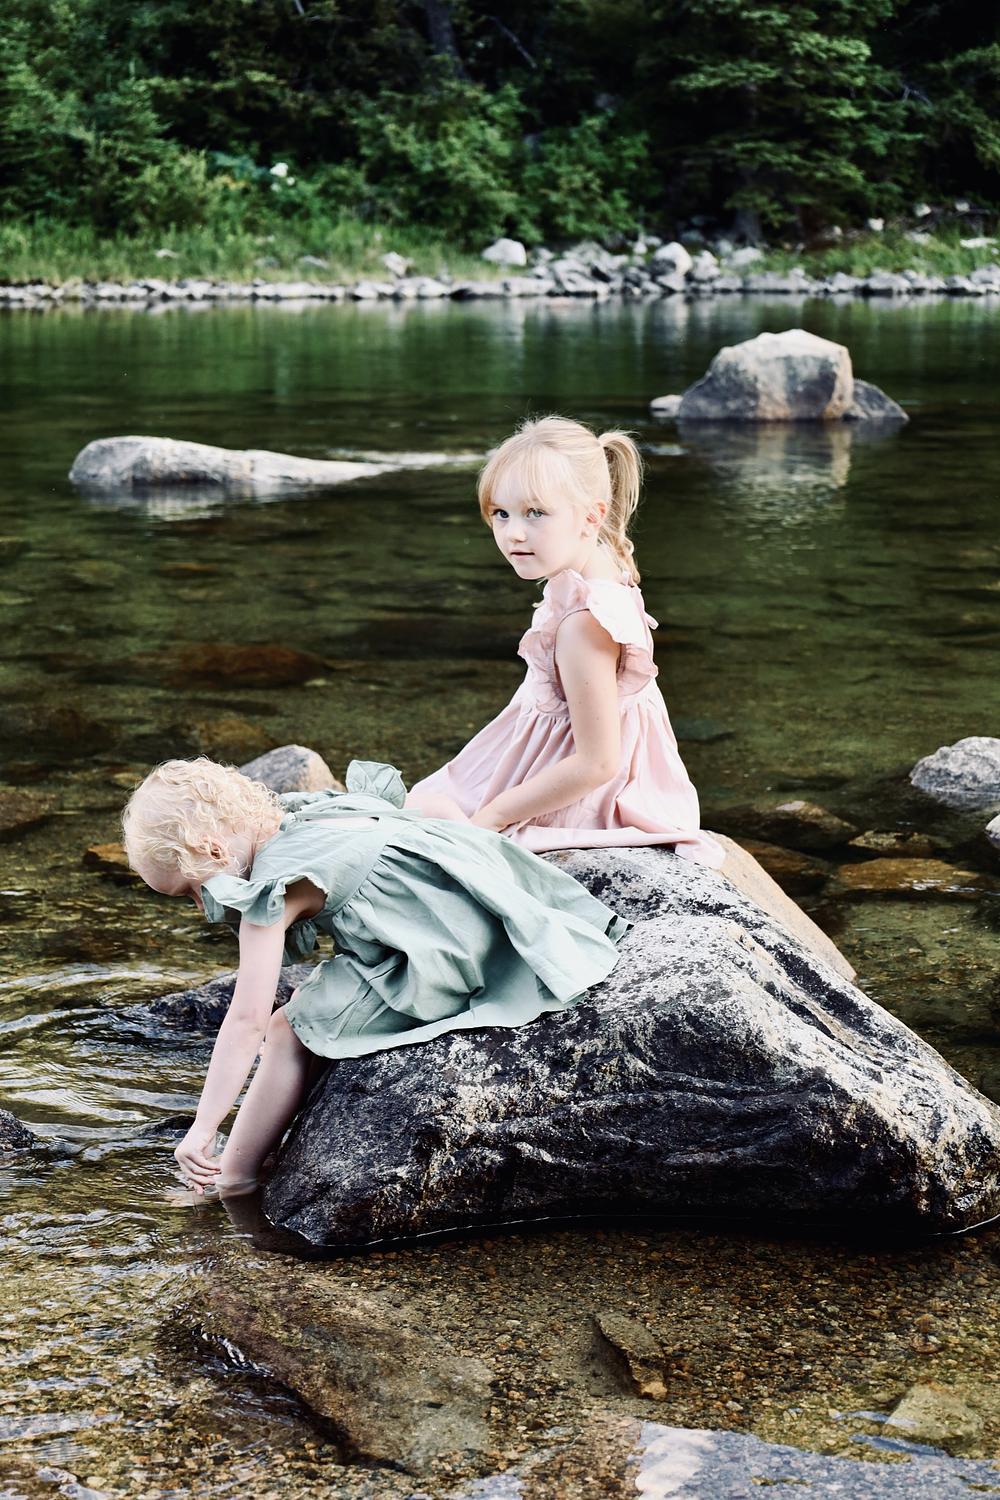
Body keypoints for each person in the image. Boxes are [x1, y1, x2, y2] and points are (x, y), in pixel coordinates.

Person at [121, 756, 630, 1197]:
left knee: (285, 1029)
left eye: (191, 891)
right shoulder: (309, 815)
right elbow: (427, 814)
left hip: (450, 954)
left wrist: (203, 1125)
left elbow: (246, 1019)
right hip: (492, 913)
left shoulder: (271, 888)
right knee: (311, 1003)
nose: (200, 907)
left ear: (213, 851)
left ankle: (235, 1179)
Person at [407, 415, 725, 868]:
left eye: (535, 513)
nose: (513, 533)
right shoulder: (601, 564)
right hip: (561, 766)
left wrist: (493, 817)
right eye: (501, 513)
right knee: (410, 809)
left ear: (592, 516)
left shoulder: (584, 623)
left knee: (418, 818)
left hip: (587, 798)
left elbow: (598, 763)